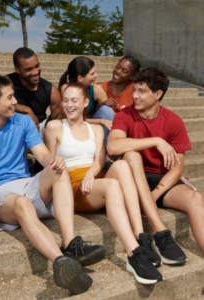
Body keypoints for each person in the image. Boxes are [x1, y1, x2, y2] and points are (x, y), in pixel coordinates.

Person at [0, 75, 106, 295]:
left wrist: (53, 160)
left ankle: (71, 245)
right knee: (22, 204)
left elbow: (41, 154)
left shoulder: (21, 122)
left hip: (27, 183)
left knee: (58, 169)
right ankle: (61, 263)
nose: (15, 101)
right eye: (10, 97)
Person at [44, 82, 164, 285]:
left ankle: (140, 236)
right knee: (112, 185)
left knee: (123, 166)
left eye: (74, 100)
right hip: (72, 187)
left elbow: (100, 161)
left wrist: (91, 173)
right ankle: (133, 253)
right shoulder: (54, 127)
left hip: (93, 182)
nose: (69, 105)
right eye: (65, 100)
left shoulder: (96, 129)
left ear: (85, 102)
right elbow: (51, 163)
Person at [108, 67, 204, 257]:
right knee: (131, 155)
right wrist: (156, 141)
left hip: (162, 179)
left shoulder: (173, 121)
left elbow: (177, 167)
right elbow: (113, 147)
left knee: (196, 199)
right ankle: (159, 233)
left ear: (157, 94)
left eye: (141, 91)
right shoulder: (124, 115)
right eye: (134, 89)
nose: (135, 95)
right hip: (133, 179)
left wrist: (153, 195)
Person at [6, 47, 65, 137]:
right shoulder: (8, 82)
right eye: (28, 69)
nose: (35, 72)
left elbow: (57, 120)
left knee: (63, 107)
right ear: (17, 70)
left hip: (39, 128)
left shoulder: (51, 89)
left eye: (37, 66)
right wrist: (27, 110)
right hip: (13, 127)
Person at [59, 56, 116, 147]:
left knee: (106, 110)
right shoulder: (67, 89)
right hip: (72, 126)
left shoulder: (96, 89)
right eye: (92, 73)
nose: (96, 75)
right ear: (80, 78)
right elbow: (73, 119)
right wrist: (102, 121)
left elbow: (111, 114)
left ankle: (106, 149)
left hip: (90, 125)